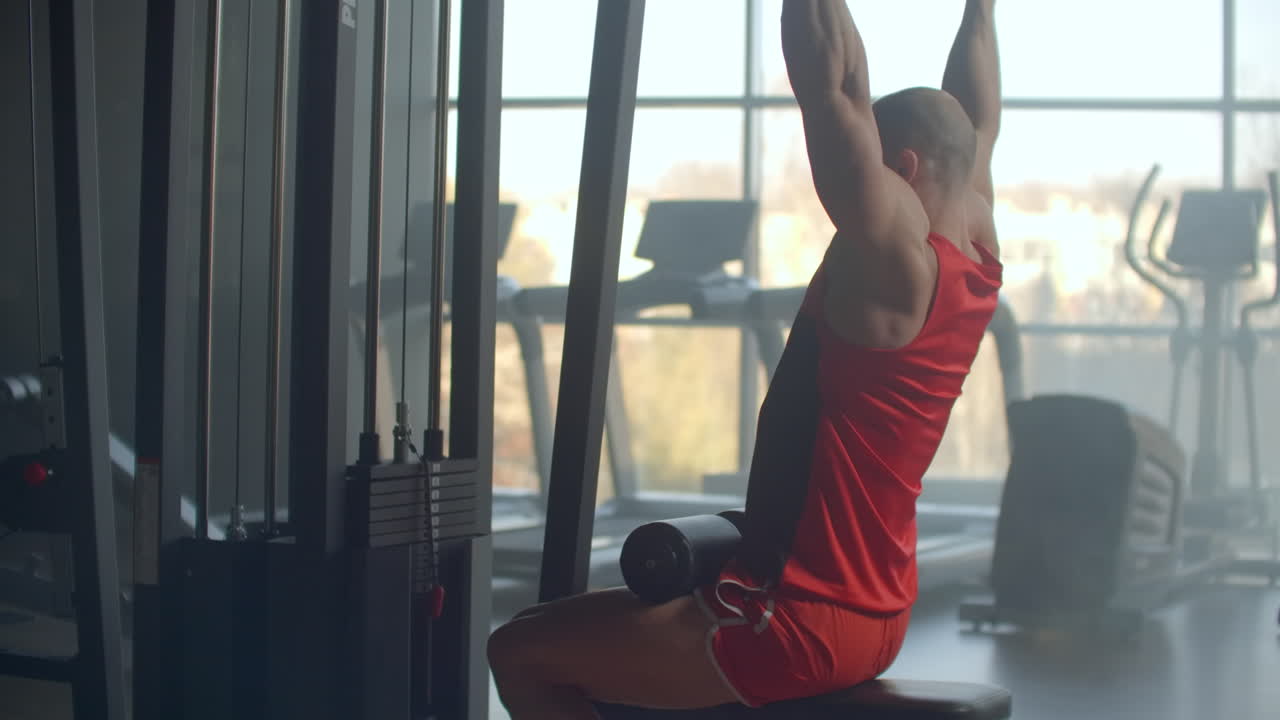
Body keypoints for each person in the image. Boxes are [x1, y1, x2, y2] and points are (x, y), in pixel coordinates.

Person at [487, 1, 1004, 717]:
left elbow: (834, 90)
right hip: (877, 610)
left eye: (875, 168)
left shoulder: (895, 266)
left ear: (905, 170)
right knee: (540, 628)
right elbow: (976, 114)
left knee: (515, 654)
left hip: (797, 619)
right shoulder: (976, 248)